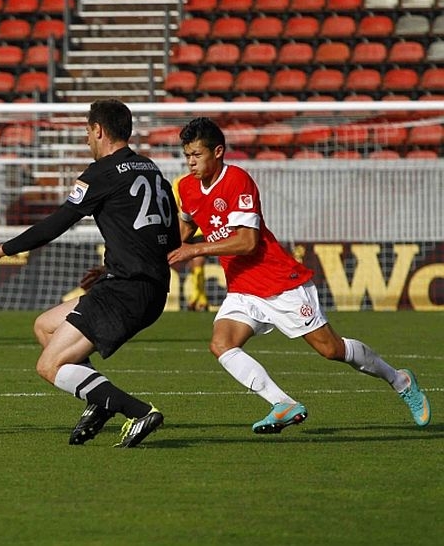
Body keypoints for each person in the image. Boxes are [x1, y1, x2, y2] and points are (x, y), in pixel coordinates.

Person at [168, 117, 431, 433]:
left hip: (280, 282)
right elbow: (181, 232)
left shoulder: (237, 180)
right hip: (242, 288)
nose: (191, 162)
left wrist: (195, 250)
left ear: (219, 151)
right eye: (187, 155)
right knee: (221, 344)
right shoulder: (186, 187)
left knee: (332, 350)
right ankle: (283, 404)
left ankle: (399, 380)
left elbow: (248, 241)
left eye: (197, 154)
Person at [0, 99, 181, 447]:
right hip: (146, 286)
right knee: (45, 326)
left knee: (48, 366)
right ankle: (99, 401)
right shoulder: (152, 170)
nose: (86, 140)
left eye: (86, 132)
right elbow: (170, 237)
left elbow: (57, 223)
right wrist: (116, 262)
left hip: (126, 289)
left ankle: (138, 411)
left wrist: (1, 249)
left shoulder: (101, 173)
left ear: (98, 130)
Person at [172, 172, 209, 311]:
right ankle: (199, 296)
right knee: (193, 264)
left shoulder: (205, 180)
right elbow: (174, 205)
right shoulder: (179, 182)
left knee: (199, 261)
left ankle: (198, 298)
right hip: (186, 226)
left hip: (201, 229)